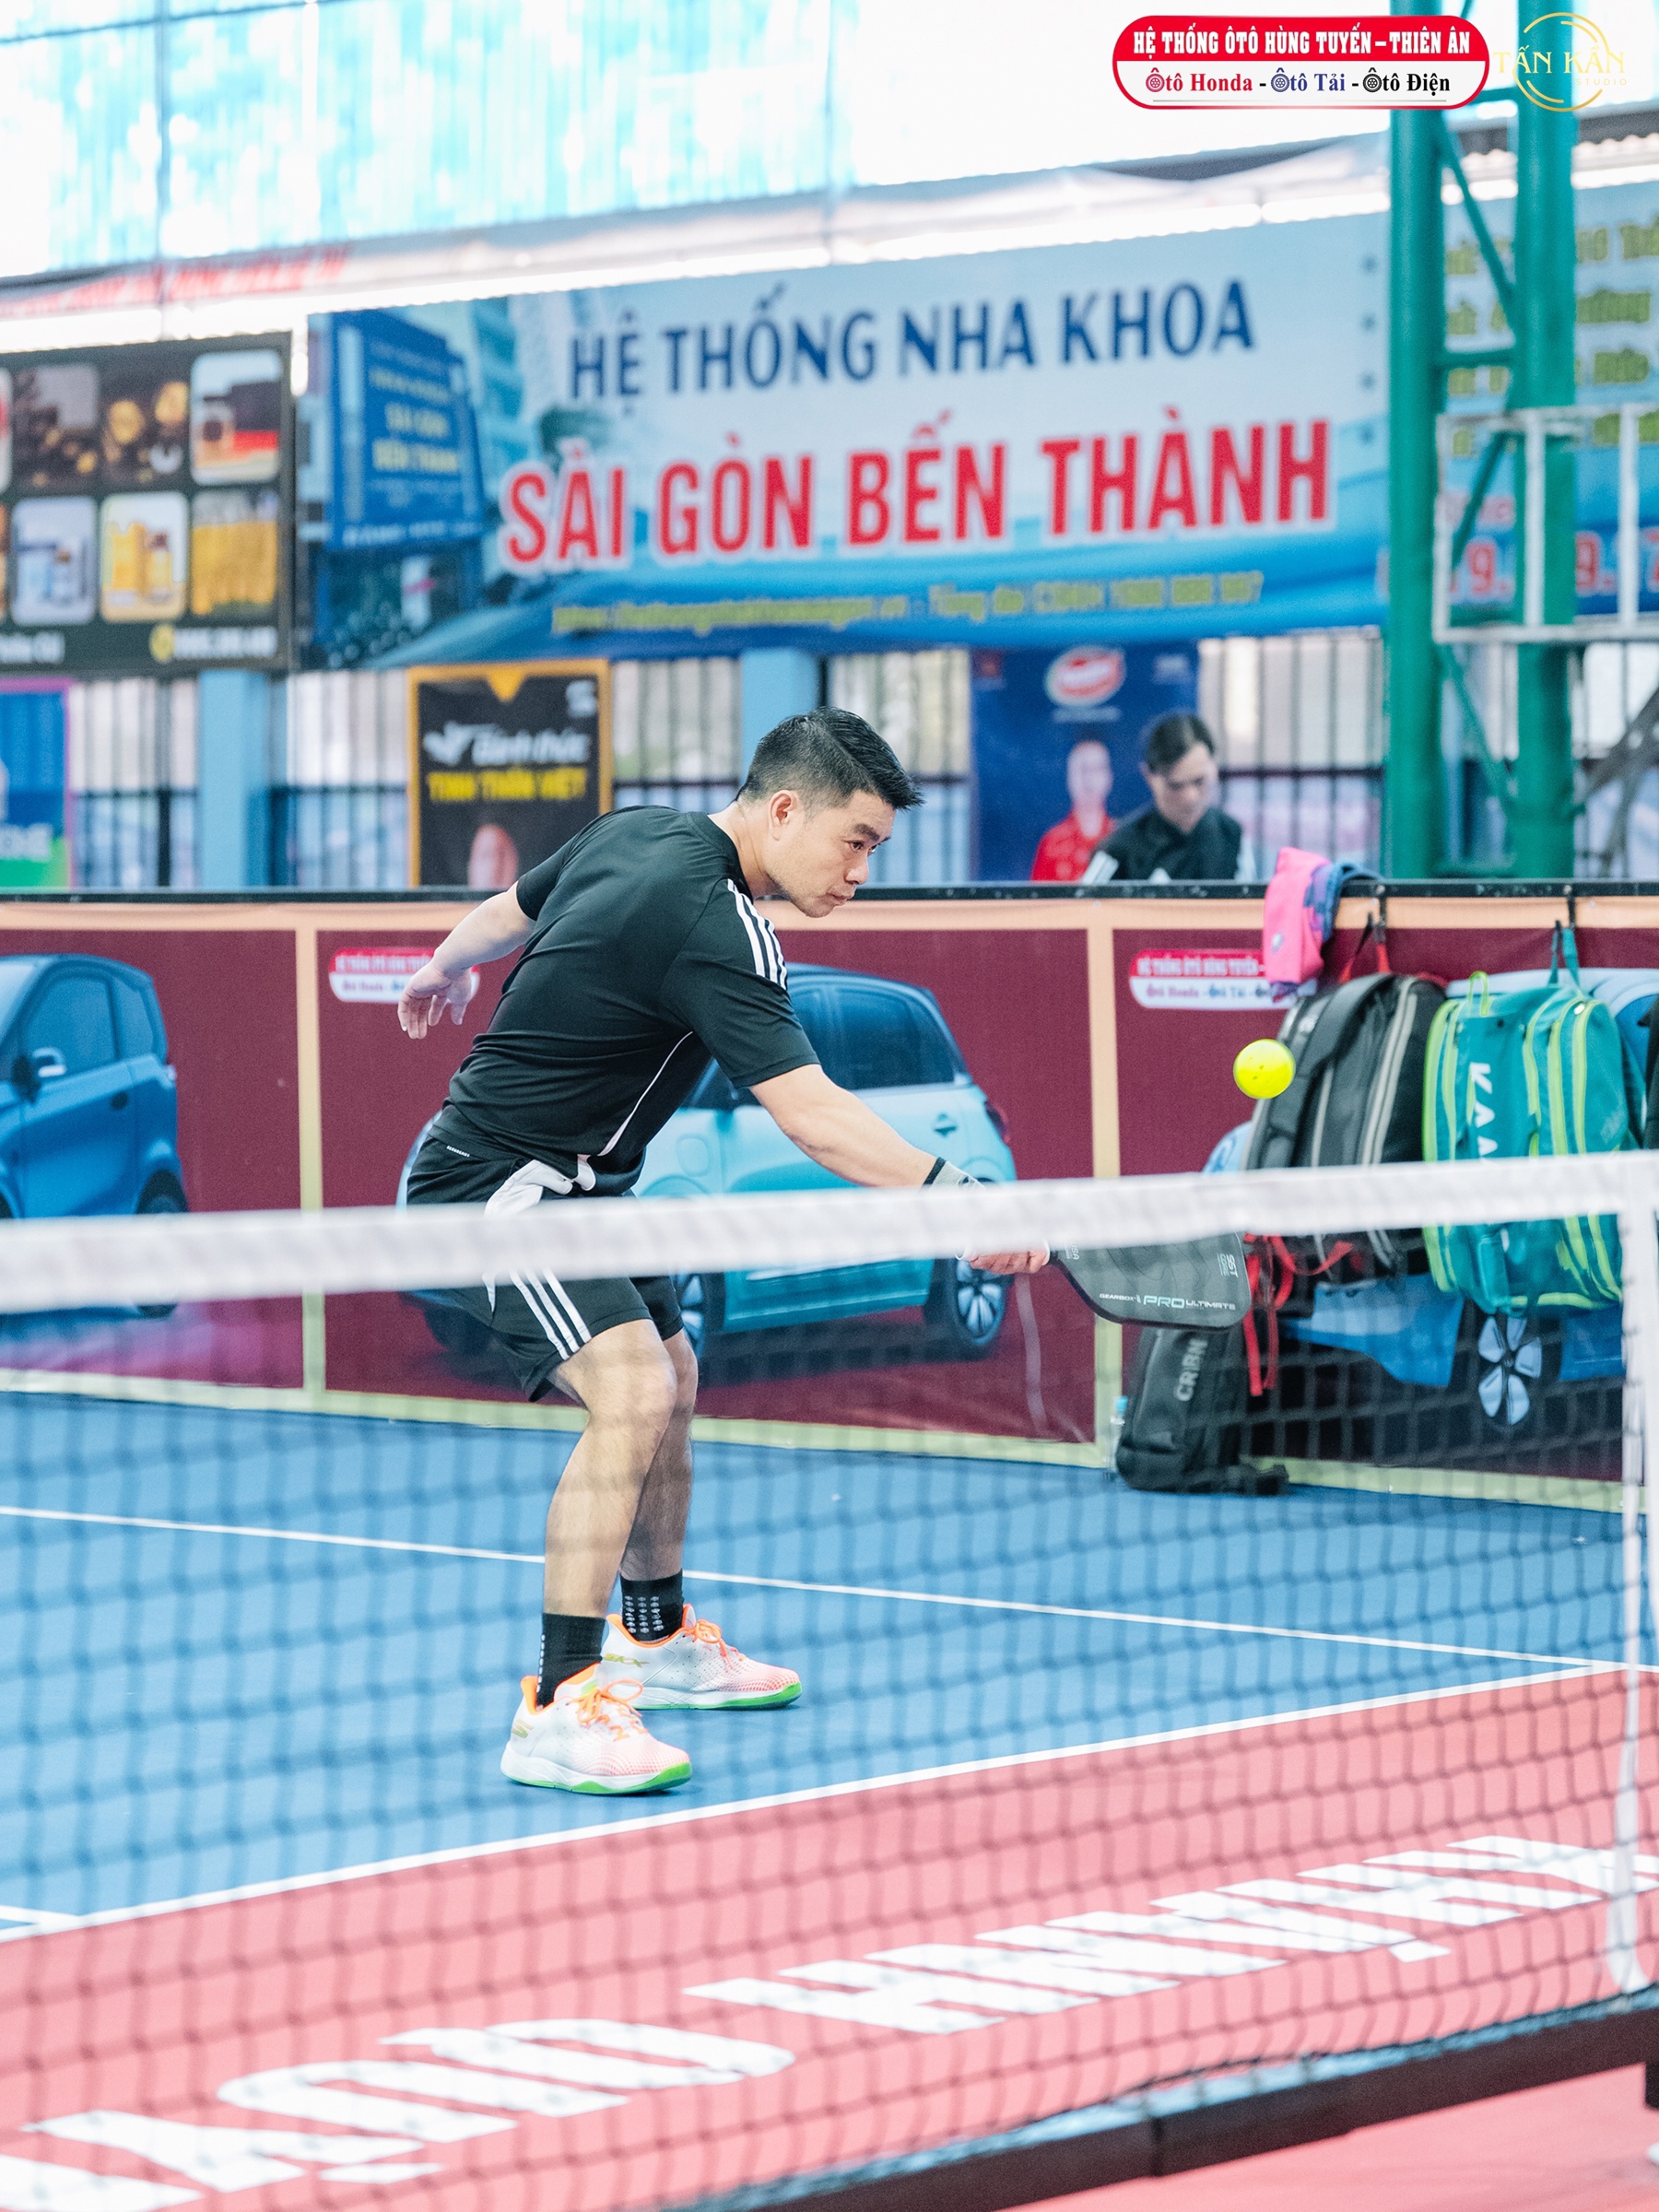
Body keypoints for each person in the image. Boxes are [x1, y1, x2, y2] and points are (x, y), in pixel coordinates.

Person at [396, 708, 1046, 1798]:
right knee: (633, 1389)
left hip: (589, 1193)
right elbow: (814, 1117)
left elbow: (511, 911)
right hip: (496, 1187)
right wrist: (960, 1200)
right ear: (785, 810)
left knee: (675, 1374)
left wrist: (443, 967)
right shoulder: (719, 923)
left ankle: (655, 1641)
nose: (862, 873)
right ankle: (558, 1702)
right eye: (855, 842)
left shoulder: (635, 829)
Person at [1085, 713, 1241, 883]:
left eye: (1199, 781)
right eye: (1175, 786)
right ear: (1149, 776)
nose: (1190, 797)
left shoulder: (1231, 834)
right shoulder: (1118, 849)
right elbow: (1084, 898)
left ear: (1214, 767)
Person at [1030, 738, 1113, 883]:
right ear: (1069, 776)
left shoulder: (1122, 839)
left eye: (1096, 769)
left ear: (1109, 777)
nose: (1089, 779)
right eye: (1082, 770)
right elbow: (1037, 896)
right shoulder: (1052, 843)